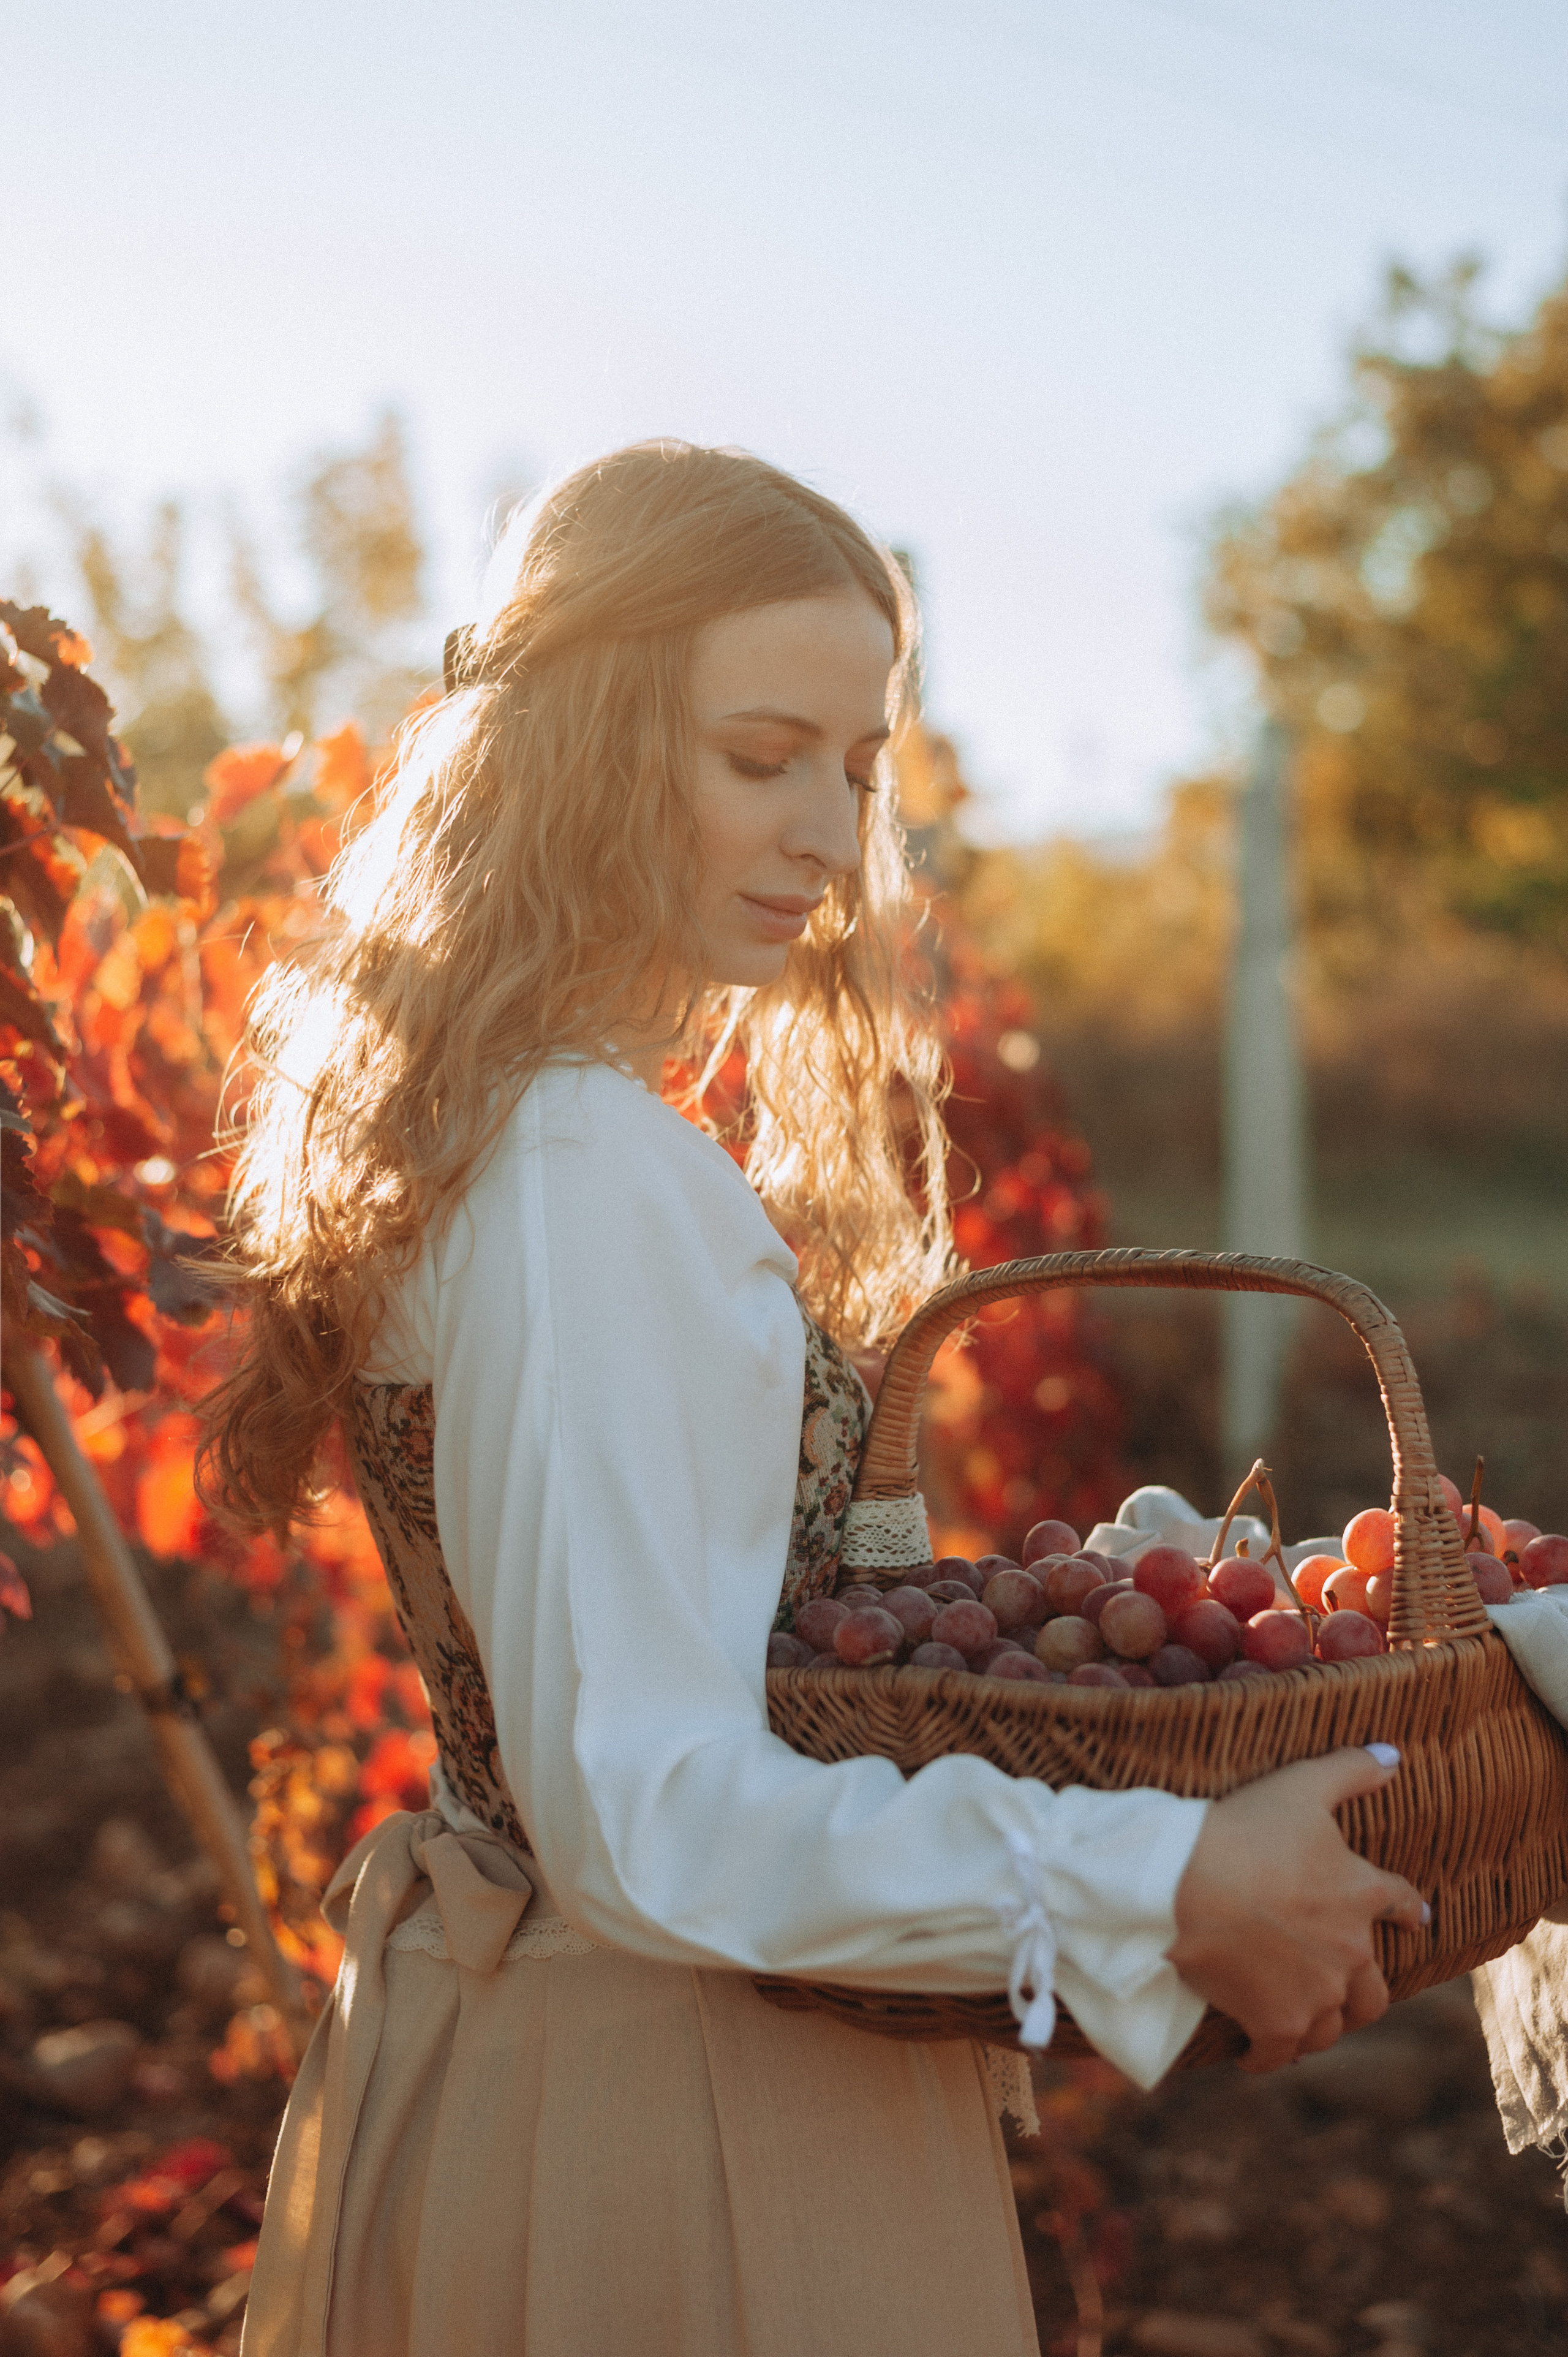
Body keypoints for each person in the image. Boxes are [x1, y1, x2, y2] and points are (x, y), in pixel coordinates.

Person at [206, 442, 1428, 2357]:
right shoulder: (580, 1173)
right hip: (673, 2117)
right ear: (589, 743)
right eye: (759, 756)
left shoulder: (528, 1132)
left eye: (856, 771)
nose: (829, 836)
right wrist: (1169, 1878)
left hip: (592, 2055)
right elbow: (647, 1817)